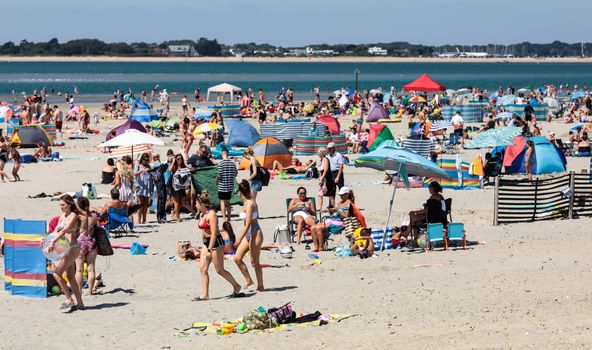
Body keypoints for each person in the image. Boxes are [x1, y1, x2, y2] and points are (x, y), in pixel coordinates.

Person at [193, 190, 243, 301]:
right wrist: (204, 246)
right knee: (202, 268)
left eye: (196, 203)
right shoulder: (202, 214)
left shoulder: (212, 215)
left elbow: (214, 233)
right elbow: (203, 231)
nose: (195, 205)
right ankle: (205, 295)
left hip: (216, 243)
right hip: (207, 243)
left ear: (202, 204)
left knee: (219, 270)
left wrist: (210, 250)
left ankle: (236, 286)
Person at [47, 195, 84, 311]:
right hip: (64, 249)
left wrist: (53, 241)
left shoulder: (73, 215)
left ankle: (69, 299)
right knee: (70, 277)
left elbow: (64, 230)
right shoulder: (62, 216)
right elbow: (55, 231)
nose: (61, 207)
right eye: (60, 205)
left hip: (72, 248)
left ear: (70, 204)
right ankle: (81, 304)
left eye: (63, 205)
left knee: (56, 274)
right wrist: (47, 241)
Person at [233, 180, 265, 292]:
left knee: (254, 262)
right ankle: (249, 280)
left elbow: (247, 225)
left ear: (240, 192)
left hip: (255, 233)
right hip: (248, 234)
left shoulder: (251, 204)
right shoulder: (245, 203)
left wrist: (238, 239)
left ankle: (261, 286)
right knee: (237, 258)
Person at [402, 181, 447, 246]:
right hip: (440, 218)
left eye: (429, 187)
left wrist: (415, 212)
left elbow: (425, 211)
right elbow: (432, 209)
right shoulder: (440, 197)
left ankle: (407, 236)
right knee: (414, 222)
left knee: (412, 217)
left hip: (432, 219)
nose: (428, 188)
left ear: (433, 188)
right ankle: (412, 238)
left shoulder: (433, 198)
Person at [310, 186, 353, 252]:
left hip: (340, 222)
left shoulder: (348, 202)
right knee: (313, 227)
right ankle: (316, 247)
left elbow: (345, 216)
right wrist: (329, 210)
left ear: (347, 194)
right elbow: (336, 211)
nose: (341, 196)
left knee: (318, 228)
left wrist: (337, 210)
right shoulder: (339, 203)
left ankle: (321, 247)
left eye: (342, 195)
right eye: (340, 195)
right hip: (333, 219)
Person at [75, 197, 98, 295]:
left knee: (79, 269)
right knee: (91, 268)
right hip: (92, 241)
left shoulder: (78, 216)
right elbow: (98, 227)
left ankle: (79, 291)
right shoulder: (93, 216)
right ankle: (90, 291)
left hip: (80, 242)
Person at [217, 147, 238, 223]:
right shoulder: (232, 163)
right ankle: (229, 217)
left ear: (222, 153)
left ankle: (224, 218)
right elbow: (235, 174)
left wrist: (216, 180)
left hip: (222, 186)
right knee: (228, 202)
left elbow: (220, 175)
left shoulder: (221, 163)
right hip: (230, 186)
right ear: (228, 153)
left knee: (222, 201)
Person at [170, 154, 191, 222]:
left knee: (181, 203)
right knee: (176, 202)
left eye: (181, 159)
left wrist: (186, 164)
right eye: (178, 159)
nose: (180, 160)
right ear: (176, 159)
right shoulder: (174, 166)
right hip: (175, 187)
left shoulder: (183, 166)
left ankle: (173, 213)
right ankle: (178, 217)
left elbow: (190, 170)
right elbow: (169, 170)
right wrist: (173, 162)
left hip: (182, 186)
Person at [134, 153, 154, 224]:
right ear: (142, 159)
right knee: (140, 203)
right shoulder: (138, 166)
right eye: (145, 160)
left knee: (145, 204)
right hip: (140, 186)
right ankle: (139, 220)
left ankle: (144, 220)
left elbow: (152, 174)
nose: (146, 161)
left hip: (147, 186)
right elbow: (134, 174)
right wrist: (142, 171)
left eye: (147, 160)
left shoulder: (149, 166)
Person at [316, 147, 335, 211]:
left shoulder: (325, 159)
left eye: (319, 152)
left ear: (322, 153)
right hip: (323, 180)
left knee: (330, 194)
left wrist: (322, 178)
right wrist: (320, 178)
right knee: (320, 194)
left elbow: (326, 170)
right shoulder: (321, 160)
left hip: (328, 179)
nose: (317, 154)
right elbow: (320, 171)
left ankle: (332, 207)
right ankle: (319, 208)